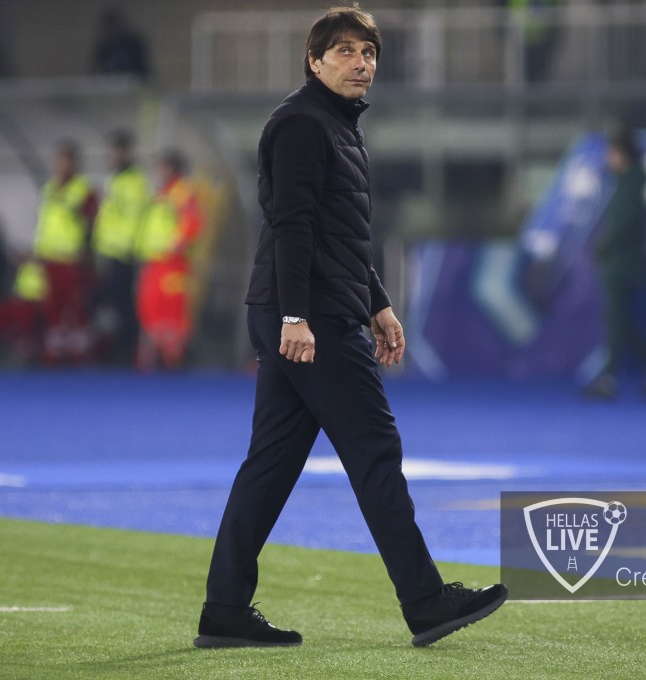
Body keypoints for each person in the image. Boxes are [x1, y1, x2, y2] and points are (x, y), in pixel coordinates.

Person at [195, 6, 507, 650]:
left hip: (313, 309)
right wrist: (295, 316)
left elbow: (337, 236)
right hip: (310, 318)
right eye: (344, 51)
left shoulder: (334, 125)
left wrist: (378, 302)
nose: (361, 63)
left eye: (368, 53)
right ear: (314, 61)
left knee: (271, 465)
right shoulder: (303, 125)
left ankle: (224, 610)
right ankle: (426, 601)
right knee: (375, 450)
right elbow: (292, 227)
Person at [584, 125, 646, 400]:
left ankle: (609, 377)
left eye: (611, 152)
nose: (608, 158)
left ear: (622, 154)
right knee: (620, 322)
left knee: (616, 322)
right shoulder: (631, 182)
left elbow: (621, 225)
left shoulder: (630, 184)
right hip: (623, 262)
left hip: (621, 264)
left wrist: (602, 248)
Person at [29, 141, 98, 364]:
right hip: (49, 256)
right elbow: (45, 223)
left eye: (66, 160)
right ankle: (55, 350)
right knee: (52, 305)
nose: (61, 165)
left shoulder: (83, 190)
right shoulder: (49, 188)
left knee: (74, 306)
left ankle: (78, 351)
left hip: (71, 258)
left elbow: (92, 224)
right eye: (58, 160)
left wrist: (87, 253)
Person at [133, 149, 203, 370]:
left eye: (161, 167)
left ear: (171, 168)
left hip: (173, 263)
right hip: (154, 261)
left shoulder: (181, 192)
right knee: (150, 308)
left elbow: (192, 221)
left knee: (172, 311)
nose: (158, 172)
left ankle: (174, 360)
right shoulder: (160, 194)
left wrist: (176, 244)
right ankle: (157, 356)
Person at [91, 129, 148, 364]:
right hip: (110, 251)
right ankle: (117, 349)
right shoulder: (116, 179)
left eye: (114, 151)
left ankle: (125, 352)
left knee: (123, 304)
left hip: (123, 252)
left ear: (124, 152)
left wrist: (130, 247)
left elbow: (135, 217)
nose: (110, 156)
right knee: (116, 302)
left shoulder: (133, 181)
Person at [91, 5, 150, 80]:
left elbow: (144, 71)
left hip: (132, 83)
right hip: (110, 84)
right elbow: (94, 71)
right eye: (108, 25)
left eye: (113, 23)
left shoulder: (134, 44)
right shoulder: (104, 46)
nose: (111, 29)